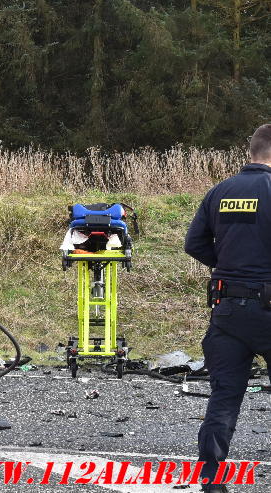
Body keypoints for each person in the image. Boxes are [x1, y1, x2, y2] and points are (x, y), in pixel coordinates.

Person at [184, 123, 271, 493]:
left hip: (227, 309)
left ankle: (211, 482)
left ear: (251, 151)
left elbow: (194, 244)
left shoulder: (221, 191)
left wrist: (230, 263)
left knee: (224, 397)